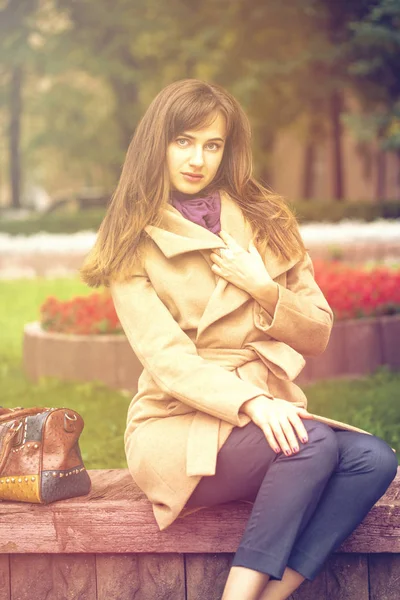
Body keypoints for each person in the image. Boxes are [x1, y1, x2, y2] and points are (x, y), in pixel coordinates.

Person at [80, 79, 398, 600]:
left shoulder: (268, 219)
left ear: (229, 149)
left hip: (262, 413)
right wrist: (252, 402)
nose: (197, 158)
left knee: (374, 459)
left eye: (212, 144)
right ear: (157, 143)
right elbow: (167, 359)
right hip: (176, 424)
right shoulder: (131, 240)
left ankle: (271, 597)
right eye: (183, 141)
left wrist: (262, 287)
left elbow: (318, 331)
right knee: (308, 443)